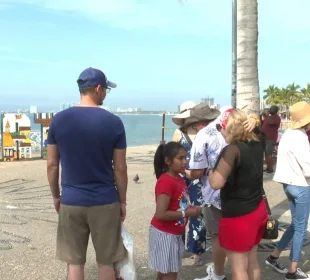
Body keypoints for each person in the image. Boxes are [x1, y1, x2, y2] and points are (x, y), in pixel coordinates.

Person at [47, 67, 127, 280]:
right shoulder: (114, 123)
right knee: (106, 262)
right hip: (105, 200)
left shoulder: (59, 120)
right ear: (98, 89)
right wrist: (123, 201)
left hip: (72, 200)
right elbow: (120, 168)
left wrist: (56, 196)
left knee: (75, 264)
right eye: (106, 90)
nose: (105, 94)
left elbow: (52, 165)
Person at [209, 109, 268, 280]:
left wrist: (211, 170)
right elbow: (259, 129)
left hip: (239, 216)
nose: (221, 130)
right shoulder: (258, 143)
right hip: (257, 208)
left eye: (222, 126)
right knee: (252, 261)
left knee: (238, 269)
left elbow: (216, 183)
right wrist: (255, 121)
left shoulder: (232, 150)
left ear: (230, 127)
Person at [265, 101, 310, 280]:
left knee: (295, 225)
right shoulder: (300, 137)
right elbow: (308, 166)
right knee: (300, 228)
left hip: (287, 184)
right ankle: (292, 271)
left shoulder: (288, 134)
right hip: (301, 185)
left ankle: (274, 256)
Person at [172, 103, 220, 265]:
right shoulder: (179, 133)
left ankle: (197, 250)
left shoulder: (206, 132)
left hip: (200, 180)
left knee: (198, 214)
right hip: (181, 177)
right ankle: (178, 247)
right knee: (179, 211)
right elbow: (172, 154)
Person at [148, 142, 202, 280]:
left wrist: (191, 208)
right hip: (165, 234)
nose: (185, 162)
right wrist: (186, 213)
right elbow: (161, 214)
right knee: (170, 274)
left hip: (174, 234)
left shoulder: (179, 179)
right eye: (180, 158)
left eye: (186, 158)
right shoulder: (166, 181)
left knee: (165, 272)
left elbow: (178, 204)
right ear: (168, 161)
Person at [262, 105, 281, 174]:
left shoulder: (276, 117)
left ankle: (270, 169)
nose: (270, 110)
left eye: (272, 109)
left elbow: (271, 122)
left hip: (270, 138)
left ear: (275, 110)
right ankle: (268, 168)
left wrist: (266, 116)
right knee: (266, 154)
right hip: (265, 137)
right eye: (270, 108)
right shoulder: (269, 117)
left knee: (269, 153)